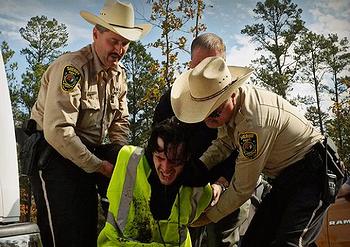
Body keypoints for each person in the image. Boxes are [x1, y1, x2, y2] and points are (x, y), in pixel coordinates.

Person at [171, 56, 344, 246]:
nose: (209, 120)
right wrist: (195, 169)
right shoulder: (229, 111)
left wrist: (205, 217)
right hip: (286, 178)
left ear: (233, 94)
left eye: (214, 112)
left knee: (290, 243)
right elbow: (223, 144)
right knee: (254, 242)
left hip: (314, 175)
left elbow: (242, 188)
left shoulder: (253, 123)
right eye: (203, 114)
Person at [26, 1, 152, 246]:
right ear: (96, 34)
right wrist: (100, 167)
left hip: (88, 159)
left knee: (88, 234)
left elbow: (120, 123)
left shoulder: (119, 74)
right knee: (67, 236)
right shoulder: (72, 68)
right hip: (54, 156)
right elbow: (58, 130)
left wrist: (119, 160)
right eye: (113, 41)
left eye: (124, 43)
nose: (119, 49)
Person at [152, 33, 250, 247]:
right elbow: (158, 149)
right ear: (190, 64)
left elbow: (245, 152)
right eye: (200, 65)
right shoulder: (171, 101)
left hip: (230, 181)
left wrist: (222, 182)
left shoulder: (240, 101)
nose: (206, 72)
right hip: (187, 187)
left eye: (213, 64)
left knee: (222, 241)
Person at [98, 117, 224, 246]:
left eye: (175, 160)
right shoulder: (127, 158)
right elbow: (90, 155)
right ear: (151, 153)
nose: (165, 168)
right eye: (159, 157)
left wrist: (220, 186)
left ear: (187, 158)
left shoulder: (200, 191)